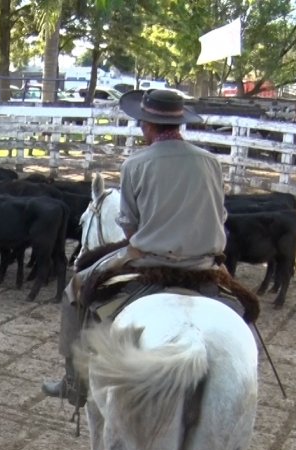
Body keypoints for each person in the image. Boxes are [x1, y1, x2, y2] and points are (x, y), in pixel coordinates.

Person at [42, 89, 226, 407]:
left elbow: (129, 225)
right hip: (205, 262)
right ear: (179, 123)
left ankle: (74, 382)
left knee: (75, 289)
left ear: (147, 125)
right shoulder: (211, 162)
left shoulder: (136, 164)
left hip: (151, 259)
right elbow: (221, 214)